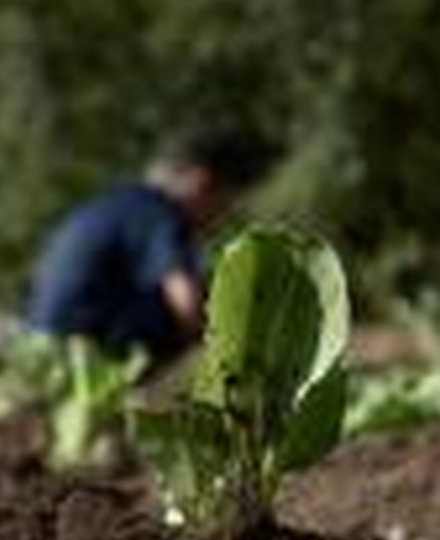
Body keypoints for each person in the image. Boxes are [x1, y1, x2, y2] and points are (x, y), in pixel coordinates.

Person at [25, 126, 272, 363]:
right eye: (221, 205)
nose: (218, 218)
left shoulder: (126, 201)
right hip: (84, 346)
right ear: (201, 182)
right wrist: (225, 350)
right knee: (216, 293)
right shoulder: (159, 211)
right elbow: (184, 298)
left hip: (45, 345)